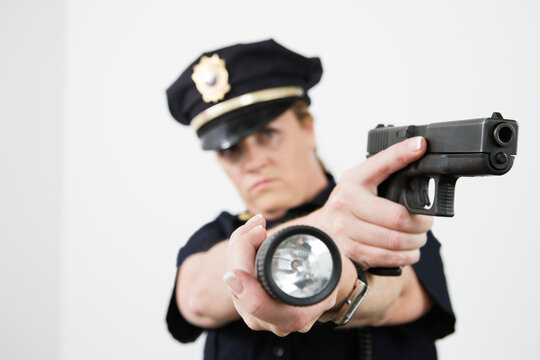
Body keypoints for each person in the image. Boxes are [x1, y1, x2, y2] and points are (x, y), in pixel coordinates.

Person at [165, 39, 455, 360]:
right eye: (231, 149)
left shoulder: (379, 212)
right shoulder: (214, 237)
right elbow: (196, 298)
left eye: (268, 134)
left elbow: (399, 295)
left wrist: (339, 289)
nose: (253, 161)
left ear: (307, 129)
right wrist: (324, 225)